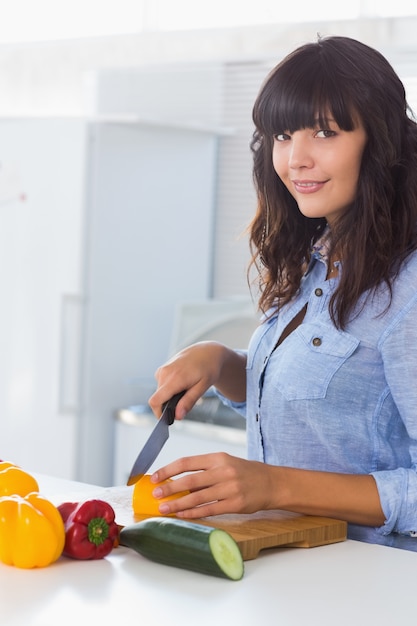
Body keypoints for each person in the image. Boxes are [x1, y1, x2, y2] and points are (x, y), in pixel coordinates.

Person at [148, 35, 417, 550]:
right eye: (282, 134)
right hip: (294, 577)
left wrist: (273, 485)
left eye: (324, 132)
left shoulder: (408, 292)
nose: (296, 159)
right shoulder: (318, 260)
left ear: (380, 143)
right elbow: (334, 405)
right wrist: (224, 363)